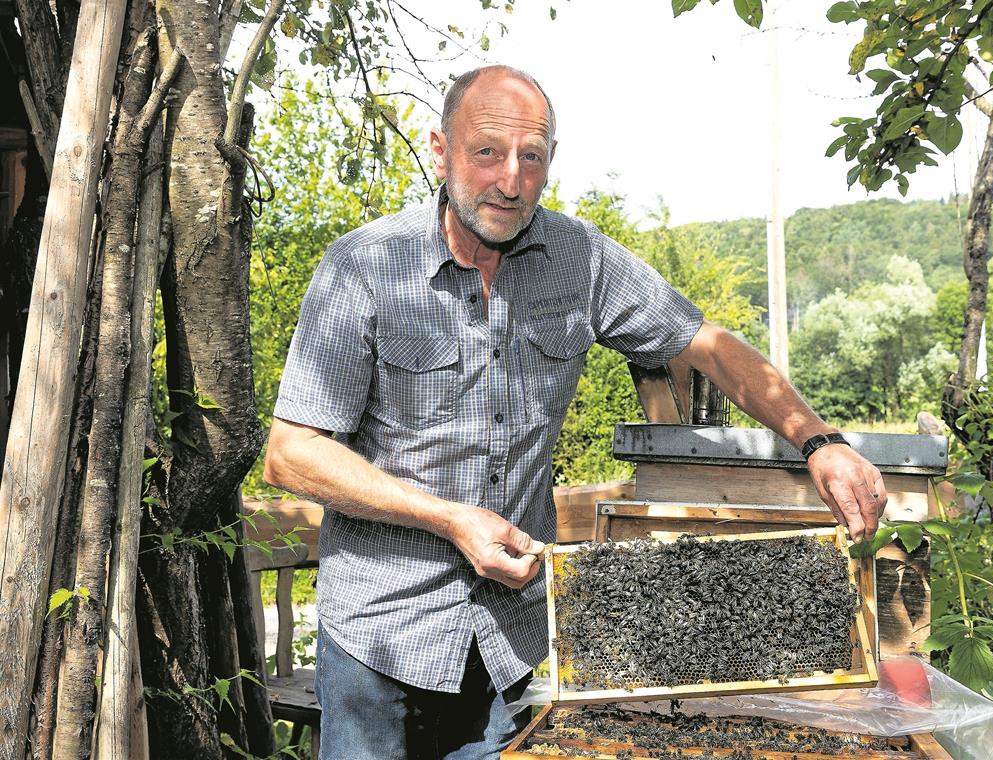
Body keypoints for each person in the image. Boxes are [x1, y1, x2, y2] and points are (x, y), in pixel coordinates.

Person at [263, 64, 887, 760]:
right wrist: (449, 518)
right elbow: (291, 452)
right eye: (487, 153)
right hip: (380, 637)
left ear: (550, 161)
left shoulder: (579, 259)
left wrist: (820, 441)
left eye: (532, 157)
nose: (510, 180)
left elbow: (707, 343)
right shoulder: (362, 267)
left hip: (505, 640)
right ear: (440, 151)